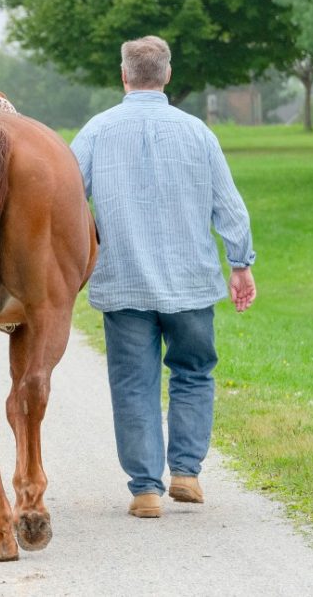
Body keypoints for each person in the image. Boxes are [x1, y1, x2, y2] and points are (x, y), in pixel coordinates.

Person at [71, 36, 257, 519]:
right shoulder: (198, 133)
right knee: (194, 373)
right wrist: (241, 263)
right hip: (190, 281)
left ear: (124, 75)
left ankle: (146, 489)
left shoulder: (96, 132)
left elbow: (66, 200)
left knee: (134, 383)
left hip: (124, 279)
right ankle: (187, 473)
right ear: (167, 75)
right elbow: (229, 205)